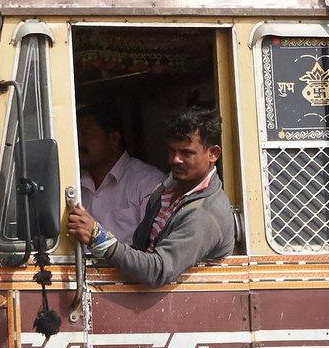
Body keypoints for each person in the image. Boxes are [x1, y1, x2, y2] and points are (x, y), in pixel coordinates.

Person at [63, 107, 237, 286]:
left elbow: (158, 270)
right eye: (172, 151)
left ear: (213, 154)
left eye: (187, 153)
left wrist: (98, 237)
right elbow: (141, 247)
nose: (175, 159)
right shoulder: (165, 191)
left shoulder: (205, 212)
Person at [75, 102, 160, 248]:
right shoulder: (75, 186)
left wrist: (96, 236)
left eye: (85, 134)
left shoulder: (149, 182)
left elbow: (151, 254)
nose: (78, 142)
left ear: (113, 139)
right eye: (76, 135)